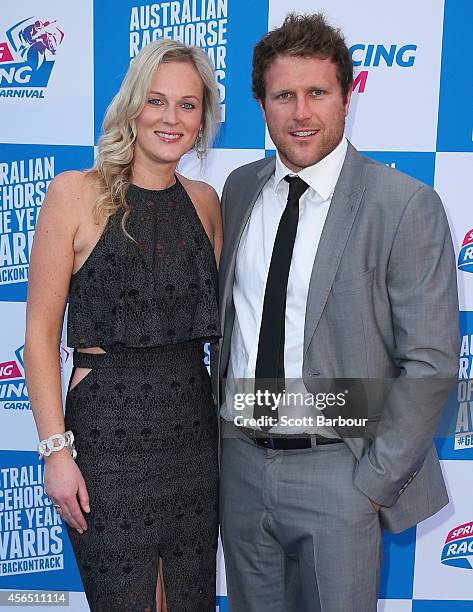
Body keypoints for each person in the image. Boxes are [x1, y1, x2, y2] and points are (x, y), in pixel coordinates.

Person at [215, 13, 459, 611]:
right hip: (241, 465)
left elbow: (429, 362)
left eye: (317, 93)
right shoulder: (239, 190)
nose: (302, 113)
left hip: (341, 468)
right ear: (262, 105)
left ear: (347, 98)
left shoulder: (403, 205)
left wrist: (373, 484)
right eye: (284, 96)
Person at [24, 38, 222, 612]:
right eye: (157, 101)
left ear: (203, 117)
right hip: (107, 436)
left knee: (187, 601)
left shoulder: (206, 203)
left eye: (188, 105)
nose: (171, 118)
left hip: (190, 433)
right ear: (132, 107)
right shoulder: (74, 194)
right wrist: (56, 451)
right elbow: (39, 335)